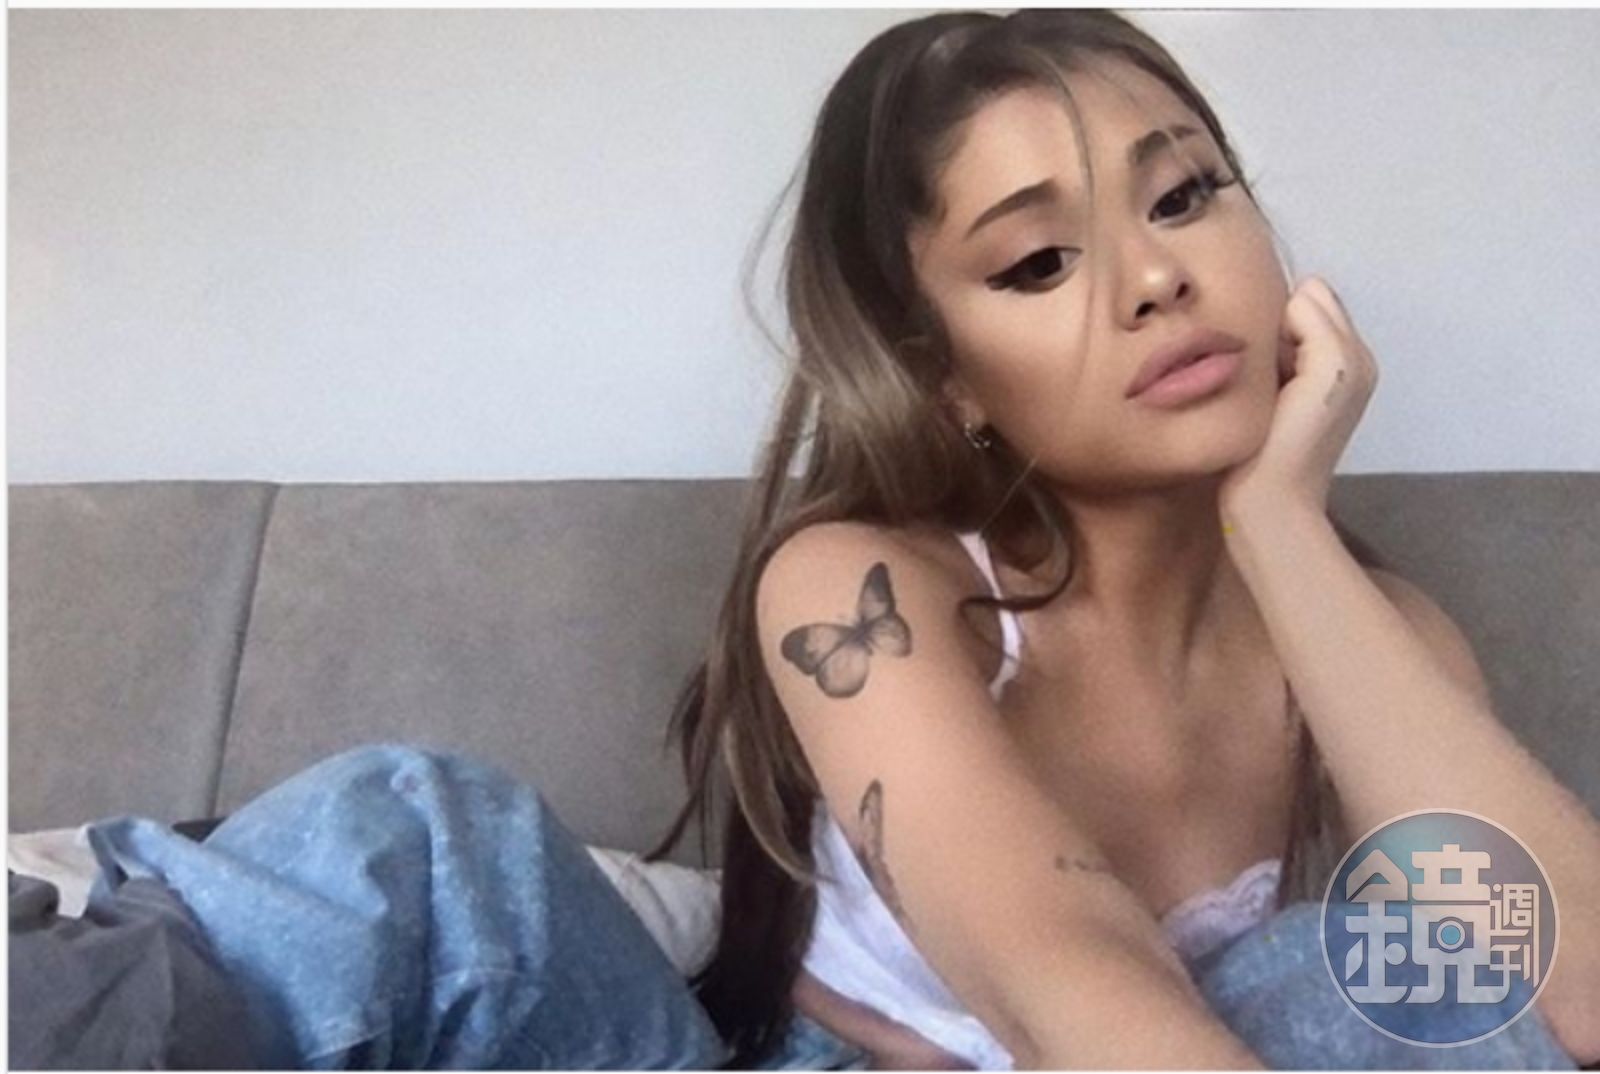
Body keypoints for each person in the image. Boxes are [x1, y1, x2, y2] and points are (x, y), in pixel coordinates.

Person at [64, 8, 1593, 1072]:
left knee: (1352, 971)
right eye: (1041, 260)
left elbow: (1567, 995)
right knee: (424, 831)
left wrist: (1281, 519)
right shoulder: (871, 581)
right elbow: (1065, 971)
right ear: (946, 375)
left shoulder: (1374, 633)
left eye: (1187, 193)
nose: (1154, 279)